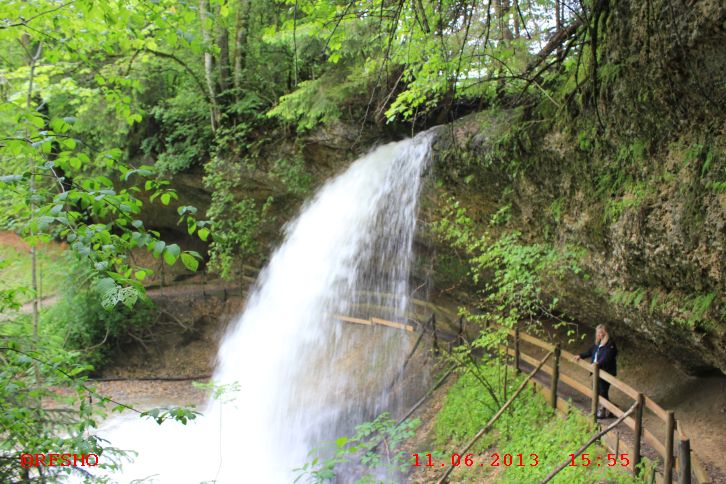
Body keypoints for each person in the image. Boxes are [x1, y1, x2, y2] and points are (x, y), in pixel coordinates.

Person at [574, 324, 618, 418]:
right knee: (597, 390)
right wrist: (580, 356)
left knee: (602, 391)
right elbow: (590, 352)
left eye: (601, 333)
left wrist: (597, 364)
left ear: (605, 333)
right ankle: (611, 409)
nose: (599, 335)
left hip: (606, 371)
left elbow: (607, 358)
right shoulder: (598, 344)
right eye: (598, 333)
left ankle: (602, 411)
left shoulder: (610, 344)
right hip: (597, 371)